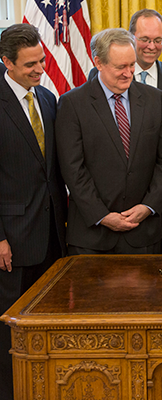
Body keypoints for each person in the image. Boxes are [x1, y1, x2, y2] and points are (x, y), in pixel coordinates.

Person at [55, 28, 162, 255]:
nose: (128, 73)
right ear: (98, 62)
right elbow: (72, 169)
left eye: (132, 65)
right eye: (120, 67)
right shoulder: (72, 104)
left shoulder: (155, 99)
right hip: (92, 236)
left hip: (143, 233)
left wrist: (148, 206)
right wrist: (102, 215)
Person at [89, 9, 162, 254]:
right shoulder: (97, 79)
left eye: (158, 40)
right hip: (107, 204)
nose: (151, 46)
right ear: (131, 37)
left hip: (157, 198)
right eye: (145, 39)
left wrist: (153, 197)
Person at [0, 23, 67, 398]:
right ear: (6, 62)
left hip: (52, 233)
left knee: (45, 323)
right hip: (12, 238)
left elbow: (51, 171)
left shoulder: (47, 99)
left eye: (41, 60)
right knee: (11, 327)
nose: (40, 69)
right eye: (30, 65)